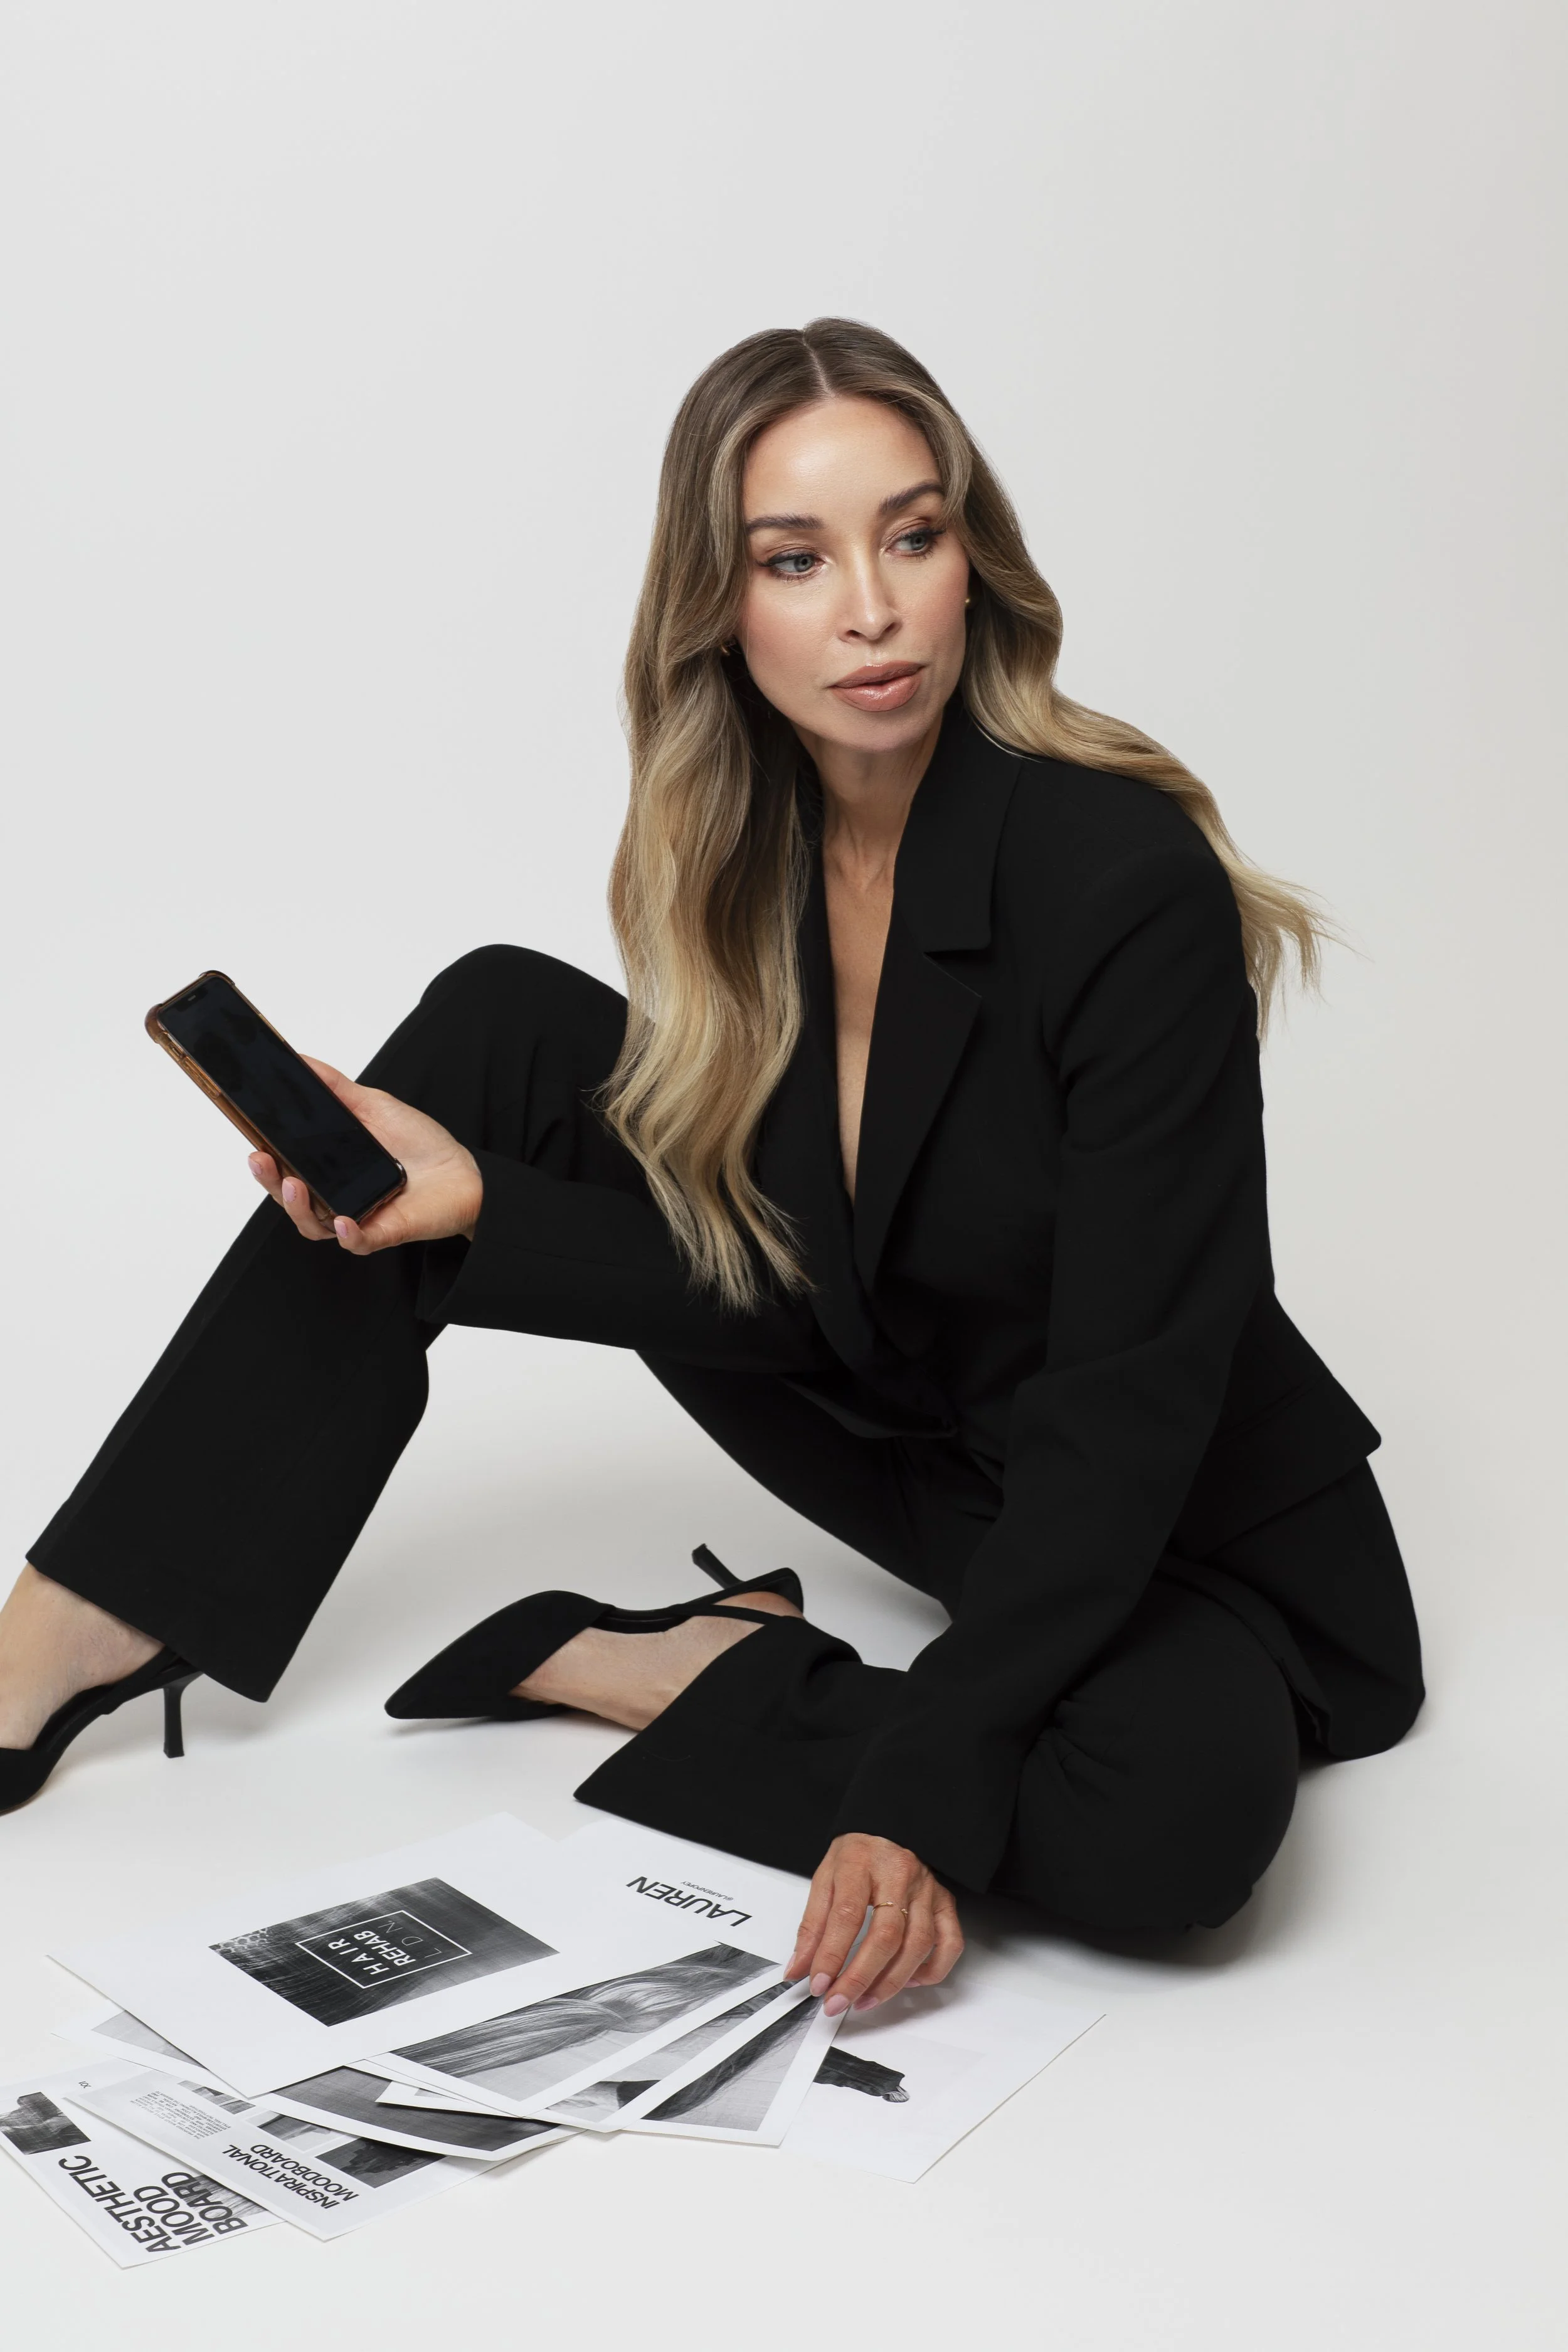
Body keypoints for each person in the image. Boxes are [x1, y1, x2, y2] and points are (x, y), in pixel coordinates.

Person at [0, 319, 1423, 2025]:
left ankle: (705, 1672)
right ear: (722, 607)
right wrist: (481, 1208)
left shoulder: (1120, 884)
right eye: (794, 558)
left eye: (910, 534)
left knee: (1166, 1837)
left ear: (973, 560)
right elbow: (798, 1276)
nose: (870, 608)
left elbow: (1131, 1400)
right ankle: (79, 1616)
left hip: (1179, 1517)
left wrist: (909, 1785)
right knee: (495, 1033)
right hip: (913, 1421)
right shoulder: (753, 849)